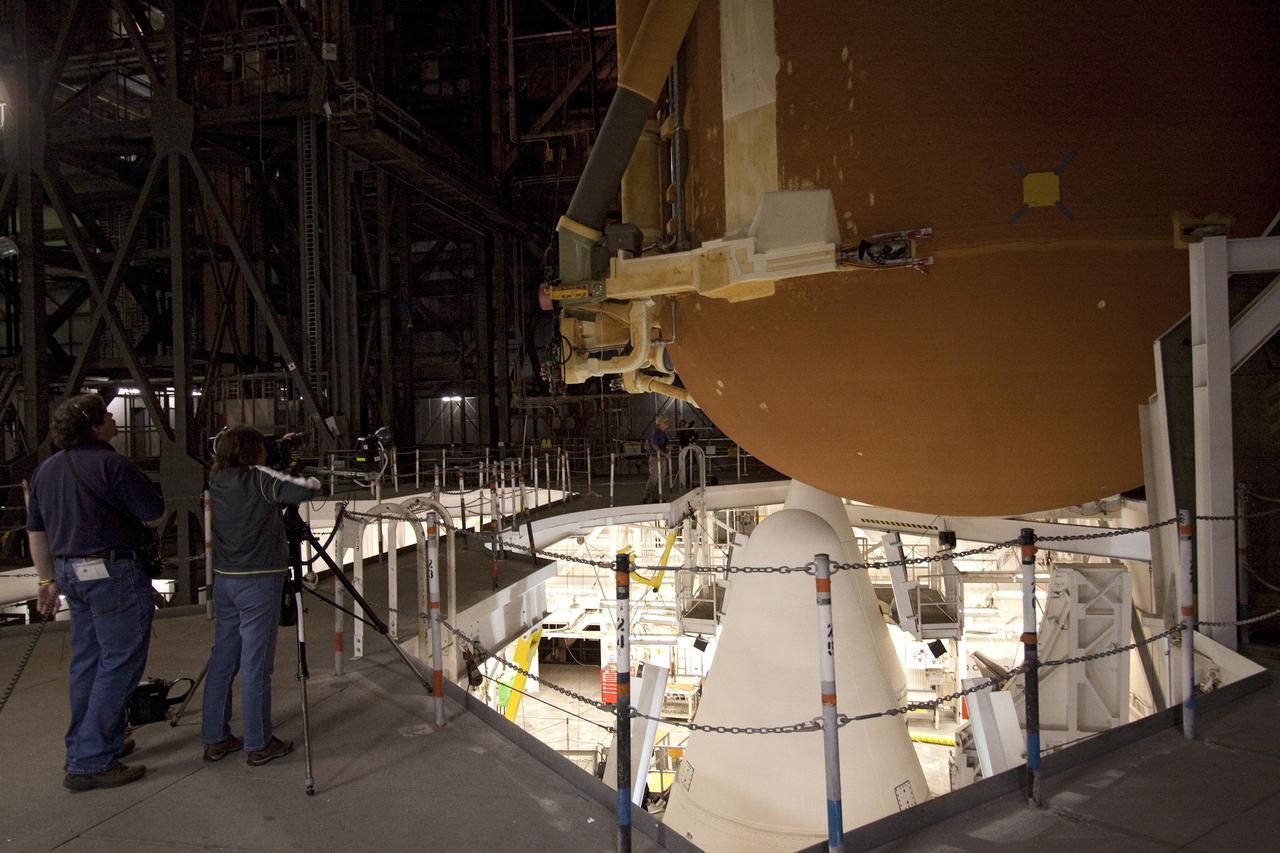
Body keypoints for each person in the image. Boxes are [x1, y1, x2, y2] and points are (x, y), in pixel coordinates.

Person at [27, 394, 165, 791]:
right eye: (105, 415)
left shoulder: (47, 470)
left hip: (70, 572)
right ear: (93, 426)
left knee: (87, 663)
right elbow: (152, 512)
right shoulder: (113, 464)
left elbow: (37, 532)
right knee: (120, 662)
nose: (111, 418)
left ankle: (89, 745)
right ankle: (91, 759)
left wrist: (45, 580)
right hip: (112, 571)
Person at [201, 426, 319, 766]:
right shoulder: (260, 479)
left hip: (225, 579)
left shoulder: (218, 478)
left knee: (223, 659)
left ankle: (216, 737)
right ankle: (258, 741)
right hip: (259, 580)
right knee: (256, 665)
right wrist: (298, 473)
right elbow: (305, 491)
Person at [641, 415, 670, 503]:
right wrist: (664, 453)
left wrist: (667, 450)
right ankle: (646, 496)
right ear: (660, 423)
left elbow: (663, 444)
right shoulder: (656, 433)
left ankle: (656, 497)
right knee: (654, 478)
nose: (667, 424)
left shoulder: (663, 433)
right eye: (665, 422)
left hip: (662, 457)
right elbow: (654, 445)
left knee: (661, 478)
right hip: (655, 458)